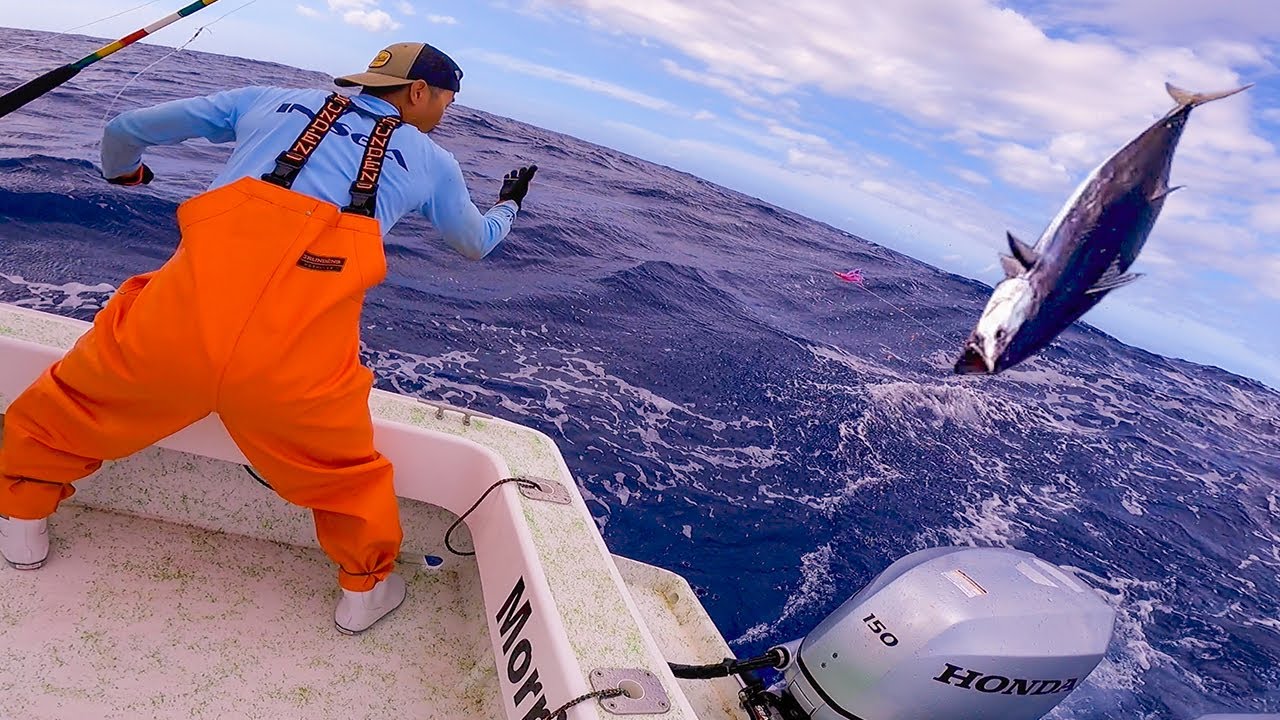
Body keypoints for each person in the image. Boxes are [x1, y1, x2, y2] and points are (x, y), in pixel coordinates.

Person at [0, 41, 536, 635]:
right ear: (417, 92)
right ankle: (365, 591)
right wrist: (509, 205)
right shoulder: (435, 163)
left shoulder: (267, 100)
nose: (444, 113)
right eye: (445, 100)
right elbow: (477, 242)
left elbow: (126, 126)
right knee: (346, 477)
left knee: (68, 409)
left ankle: (22, 523)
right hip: (295, 364)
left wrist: (123, 172)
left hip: (174, 327)